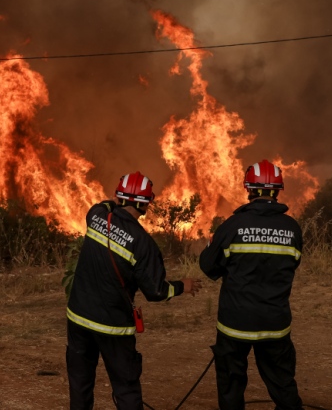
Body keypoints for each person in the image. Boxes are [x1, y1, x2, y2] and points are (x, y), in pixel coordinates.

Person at [66, 171, 201, 410]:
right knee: (126, 388)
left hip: (78, 318)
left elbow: (104, 204)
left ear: (119, 197)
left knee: (80, 385)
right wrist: (182, 286)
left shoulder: (96, 216)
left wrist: (115, 201)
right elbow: (156, 292)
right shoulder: (143, 244)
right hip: (113, 326)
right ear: (146, 204)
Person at [200, 160, 304, 410]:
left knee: (231, 385)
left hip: (235, 324)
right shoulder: (292, 228)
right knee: (282, 383)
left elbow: (209, 266)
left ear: (248, 189)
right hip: (275, 323)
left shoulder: (233, 226)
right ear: (277, 191)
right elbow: (293, 264)